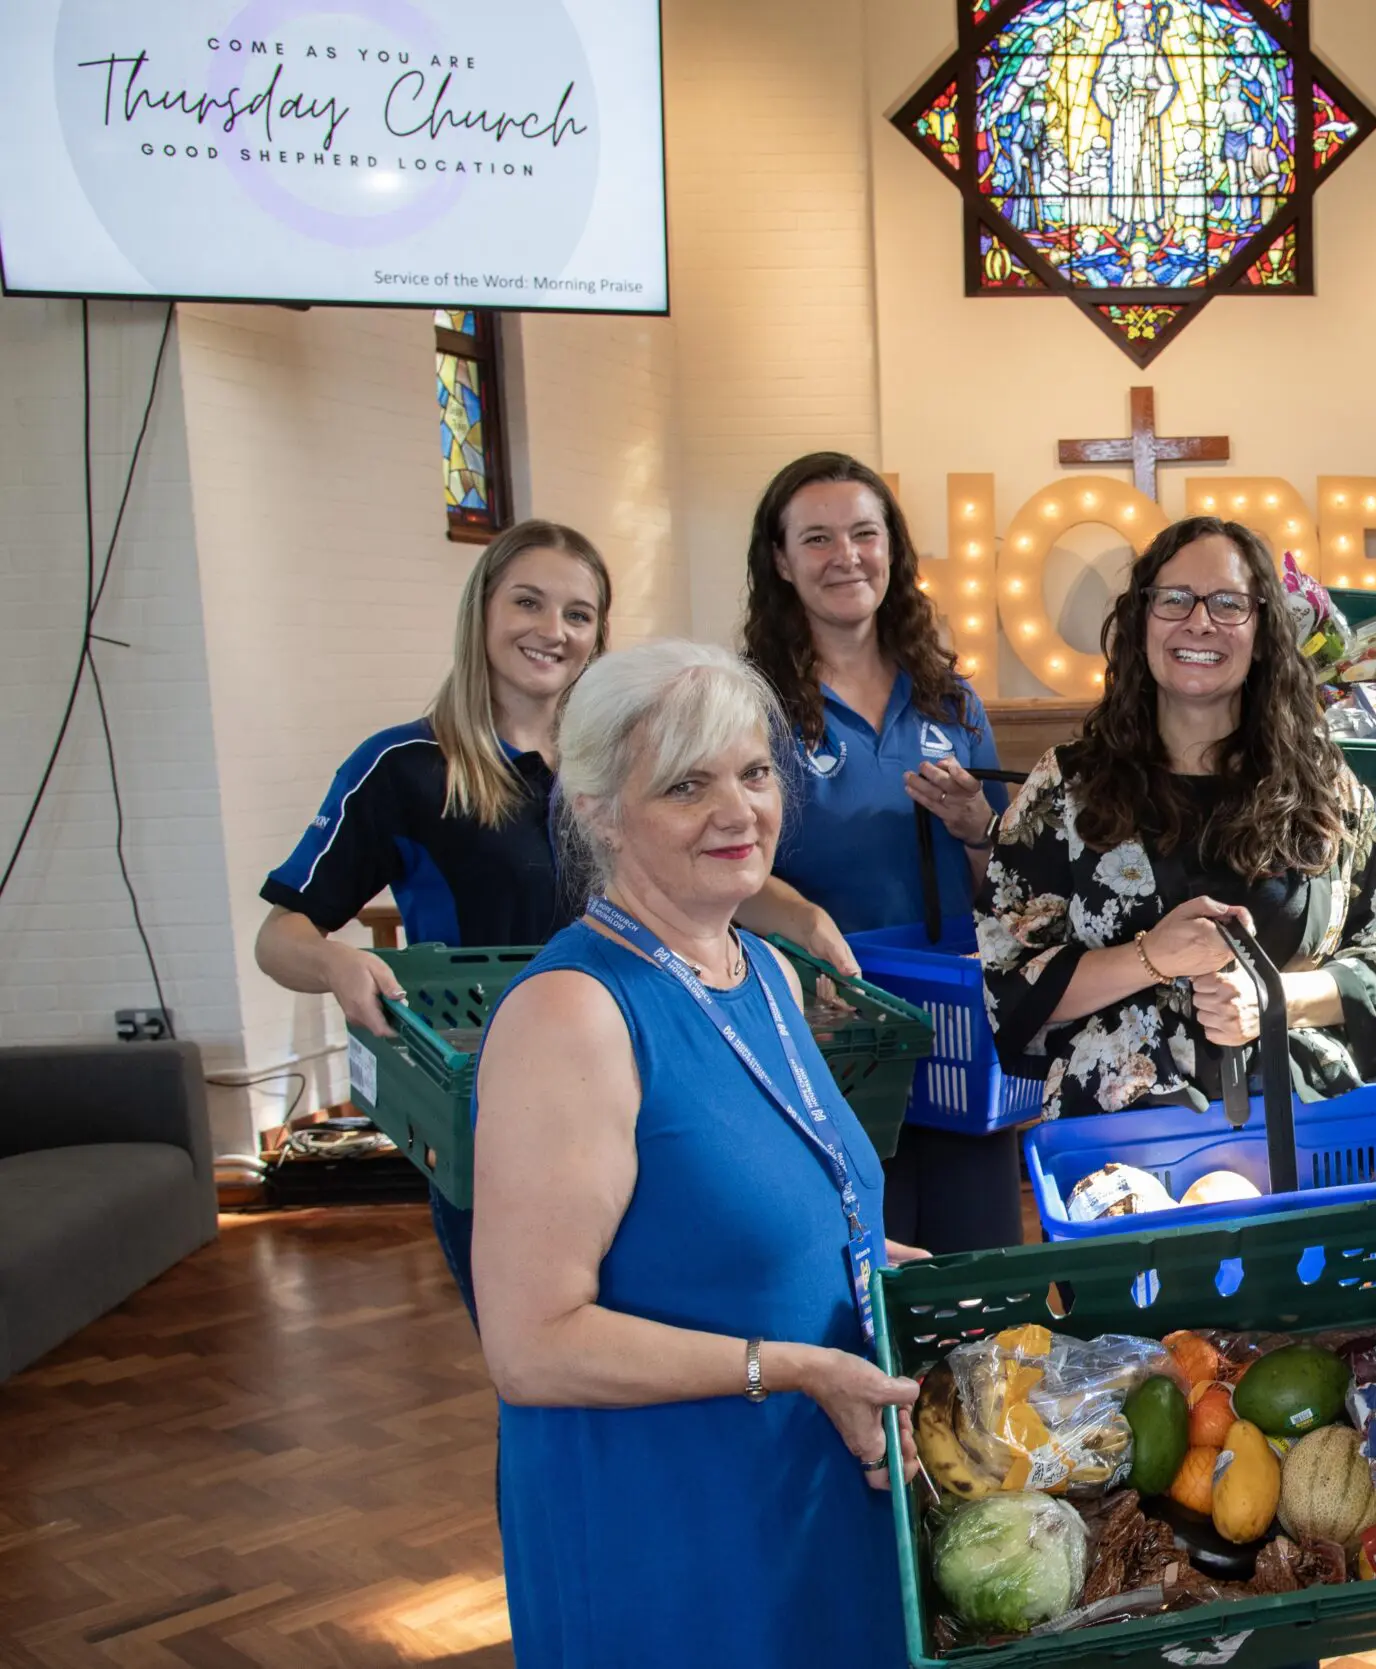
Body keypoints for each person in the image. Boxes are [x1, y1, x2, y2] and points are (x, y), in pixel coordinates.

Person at [471, 640, 924, 1669]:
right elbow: (533, 1344)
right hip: (673, 1532)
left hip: (805, 1495)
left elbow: (765, 1222)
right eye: (687, 784)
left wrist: (899, 1272)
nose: (740, 811)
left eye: (755, 772)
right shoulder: (573, 1014)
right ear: (595, 809)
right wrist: (790, 1364)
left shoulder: (758, 966)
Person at [255, 520, 612, 1322]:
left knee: (642, 1352)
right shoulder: (406, 768)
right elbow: (280, 935)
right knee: (541, 1354)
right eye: (529, 602)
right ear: (481, 610)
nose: (553, 631)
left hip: (626, 1089)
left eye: (579, 614)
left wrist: (795, 914)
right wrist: (342, 967)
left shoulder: (615, 766)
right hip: (485, 1107)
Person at [979, 516, 1376, 1120]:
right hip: (1125, 1152)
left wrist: (1272, 997)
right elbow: (1008, 980)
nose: (1200, 621)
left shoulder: (1324, 788)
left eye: (1229, 603)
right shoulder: (1066, 788)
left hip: (1302, 1132)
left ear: (1263, 630)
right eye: (1175, 599)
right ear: (1140, 620)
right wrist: (1151, 957)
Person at [738, 452, 1017, 1255]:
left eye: (865, 533)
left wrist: (975, 826)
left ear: (892, 551)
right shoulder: (746, 705)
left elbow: (1004, 889)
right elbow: (713, 868)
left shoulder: (951, 697)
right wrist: (801, 914)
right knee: (857, 1269)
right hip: (826, 1030)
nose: (846, 556)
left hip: (958, 1033)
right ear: (782, 562)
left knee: (977, 1272)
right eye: (818, 538)